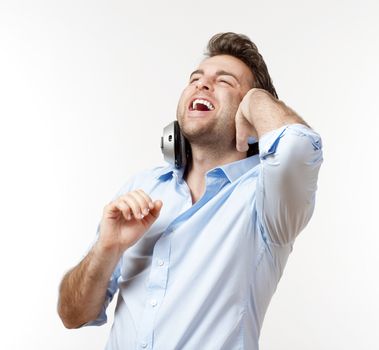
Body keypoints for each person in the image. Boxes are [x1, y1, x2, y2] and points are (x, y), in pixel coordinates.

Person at [58, 32, 323, 350]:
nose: (202, 84)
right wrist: (106, 249)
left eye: (225, 81)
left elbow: (299, 148)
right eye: (195, 78)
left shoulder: (266, 199)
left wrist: (257, 100)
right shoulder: (142, 186)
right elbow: (72, 315)